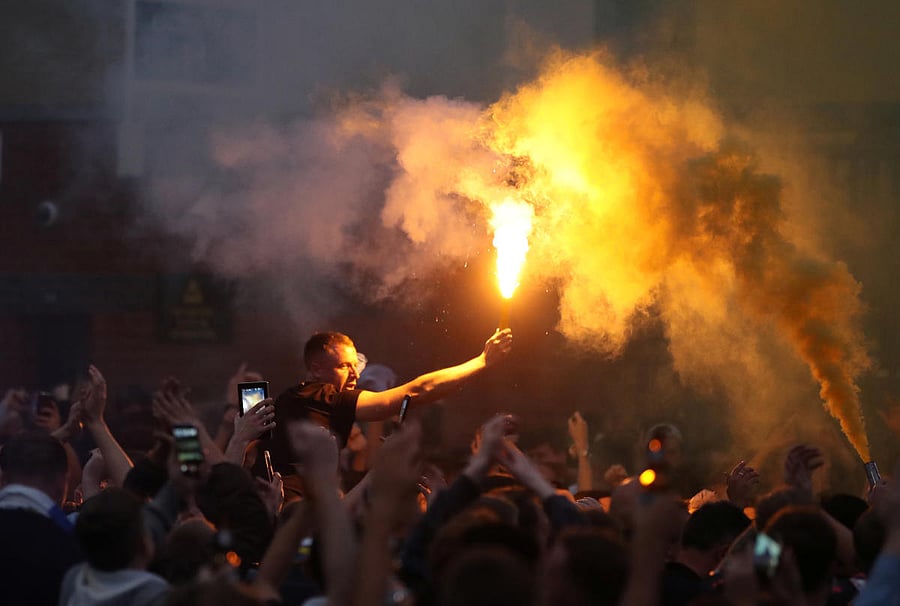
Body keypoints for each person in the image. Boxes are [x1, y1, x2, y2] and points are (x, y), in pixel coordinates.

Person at [268, 328, 513, 484]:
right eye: (344, 366)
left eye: (355, 365)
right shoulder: (318, 395)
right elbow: (417, 391)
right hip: (291, 522)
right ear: (316, 369)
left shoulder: (297, 399)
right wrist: (481, 362)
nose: (355, 374)